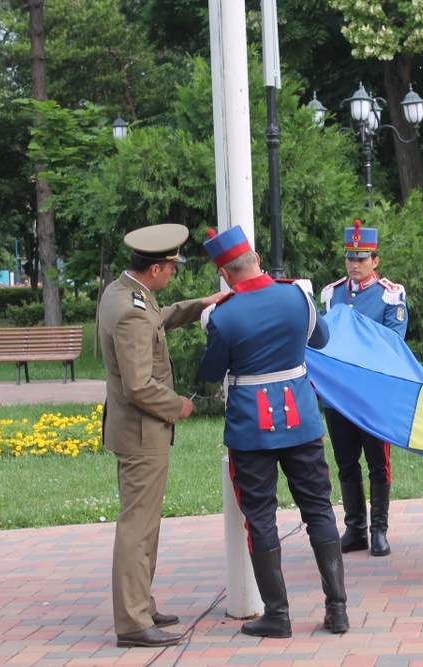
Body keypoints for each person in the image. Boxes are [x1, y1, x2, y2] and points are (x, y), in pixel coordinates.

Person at [199, 227, 348, 638]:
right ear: (258, 259)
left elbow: (210, 372)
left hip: (251, 429)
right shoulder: (298, 296)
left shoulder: (223, 315)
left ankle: (278, 615)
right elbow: (322, 338)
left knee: (261, 517)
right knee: (318, 510)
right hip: (301, 420)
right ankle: (337, 609)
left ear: (225, 274)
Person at [97, 223, 226, 648]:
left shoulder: (124, 292)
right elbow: (138, 385)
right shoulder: (132, 310)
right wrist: (177, 405)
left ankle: (141, 604)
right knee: (137, 527)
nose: (173, 273)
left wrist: (201, 304)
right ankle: (133, 622)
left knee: (144, 524)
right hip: (142, 433)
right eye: (171, 268)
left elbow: (158, 319)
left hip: (133, 430)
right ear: (155, 269)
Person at [320, 220, 407, 557]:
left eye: (361, 258)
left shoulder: (390, 293)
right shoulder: (332, 294)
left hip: (373, 394)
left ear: (375, 260)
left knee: (377, 462)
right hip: (339, 394)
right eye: (350, 258)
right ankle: (355, 528)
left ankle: (378, 530)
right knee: (346, 461)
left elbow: (393, 341)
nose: (354, 264)